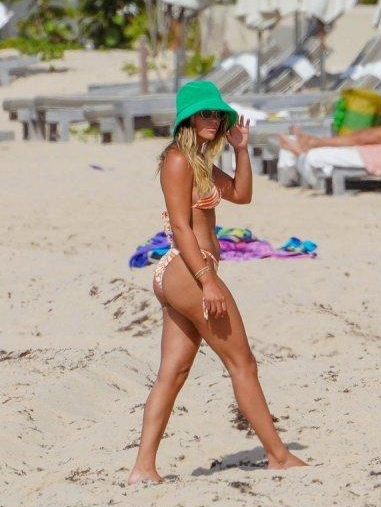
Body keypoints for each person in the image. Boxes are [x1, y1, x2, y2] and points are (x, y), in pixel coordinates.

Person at [128, 81, 306, 484]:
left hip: (181, 275)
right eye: (205, 113)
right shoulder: (177, 159)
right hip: (191, 272)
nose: (213, 119)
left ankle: (143, 469)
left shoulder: (199, 163)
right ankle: (278, 456)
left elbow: (241, 194)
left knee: (173, 373)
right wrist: (207, 281)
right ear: (189, 118)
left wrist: (242, 149)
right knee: (243, 364)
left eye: (217, 114)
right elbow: (180, 226)